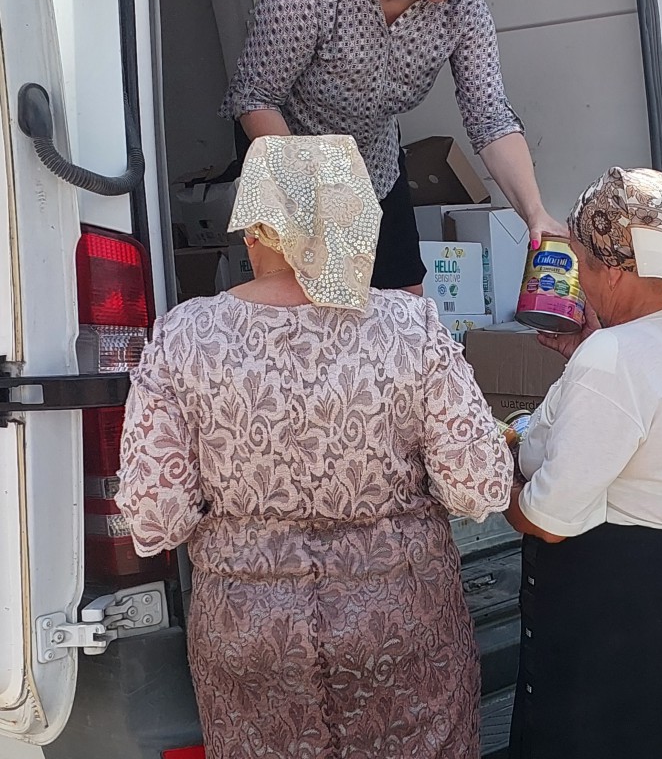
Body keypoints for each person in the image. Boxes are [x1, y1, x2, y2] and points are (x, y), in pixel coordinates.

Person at [116, 134, 514, 759]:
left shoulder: (183, 335)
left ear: (254, 231)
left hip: (249, 635)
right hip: (402, 625)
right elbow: (478, 483)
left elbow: (153, 513)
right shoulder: (410, 325)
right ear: (356, 225)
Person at [218, 0, 565, 294]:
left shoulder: (461, 3)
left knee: (405, 315)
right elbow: (255, 97)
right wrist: (317, 201)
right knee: (308, 324)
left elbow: (491, 117)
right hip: (291, 159)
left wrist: (535, 212)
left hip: (375, 167)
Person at [502, 166, 662, 759]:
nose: (581, 284)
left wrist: (498, 488)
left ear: (617, 269)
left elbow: (550, 518)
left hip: (620, 604)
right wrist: (590, 355)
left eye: (585, 266)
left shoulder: (614, 358)